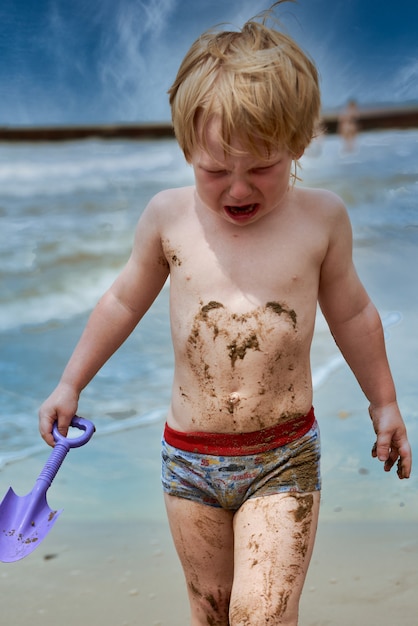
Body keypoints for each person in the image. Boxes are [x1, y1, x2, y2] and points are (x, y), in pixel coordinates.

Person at [39, 3, 412, 625]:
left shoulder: (321, 220)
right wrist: (70, 382)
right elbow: (123, 301)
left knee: (261, 613)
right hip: (188, 459)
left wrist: (384, 403)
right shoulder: (167, 217)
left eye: (263, 169)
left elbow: (354, 315)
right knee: (211, 612)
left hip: (282, 457)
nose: (238, 191)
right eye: (216, 171)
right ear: (188, 150)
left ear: (297, 144)